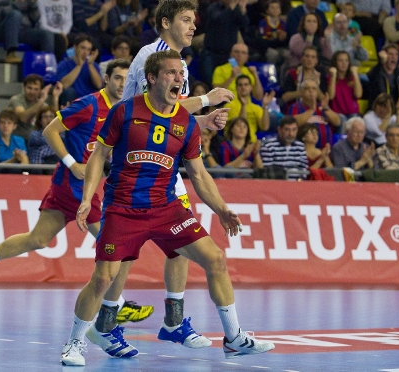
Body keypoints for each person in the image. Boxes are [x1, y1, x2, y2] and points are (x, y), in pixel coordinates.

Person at [66, 49, 275, 366]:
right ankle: (75, 343)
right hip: (123, 208)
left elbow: (199, 175)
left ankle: (234, 339)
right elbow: (98, 156)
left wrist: (221, 209)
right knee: (103, 278)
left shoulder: (186, 124)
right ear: (151, 78)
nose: (179, 78)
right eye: (172, 73)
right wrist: (86, 198)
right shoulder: (125, 112)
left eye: (181, 74)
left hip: (166, 208)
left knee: (215, 259)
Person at [0, 60, 154, 350]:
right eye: (118, 78)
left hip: (84, 184)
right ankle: (117, 305)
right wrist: (72, 163)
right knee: (115, 239)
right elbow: (50, 130)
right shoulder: (88, 104)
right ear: (107, 79)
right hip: (72, 183)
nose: (123, 84)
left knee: (37, 239)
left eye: (127, 79)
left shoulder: (122, 110)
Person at [119, 0, 235, 354]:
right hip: (133, 166)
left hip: (164, 167)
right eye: (186, 20)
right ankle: (103, 324)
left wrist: (203, 122)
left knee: (180, 244)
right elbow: (150, 111)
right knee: (121, 256)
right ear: (165, 22)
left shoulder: (179, 62)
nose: (193, 26)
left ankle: (174, 321)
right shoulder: (151, 56)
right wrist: (205, 99)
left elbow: (169, 121)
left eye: (194, 21)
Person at [199, 0, 250, 85]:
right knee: (210, 83)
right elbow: (219, 20)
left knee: (234, 80)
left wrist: (243, 10)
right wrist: (231, 7)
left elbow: (245, 24)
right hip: (210, 54)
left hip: (229, 55)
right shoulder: (213, 8)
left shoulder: (236, 9)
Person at [288, 78, 341, 149]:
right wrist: (311, 110)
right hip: (304, 151)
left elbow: (337, 122)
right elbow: (293, 123)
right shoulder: (295, 107)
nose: (311, 91)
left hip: (326, 149)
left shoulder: (323, 107)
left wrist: (326, 108)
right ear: (301, 92)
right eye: (307, 88)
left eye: (314, 89)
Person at [8, 74, 63, 141]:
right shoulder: (16, 100)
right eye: (29, 88)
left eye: (36, 89)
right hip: (19, 140)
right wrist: (42, 100)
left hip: (36, 141)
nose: (32, 92)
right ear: (24, 88)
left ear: (40, 90)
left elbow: (53, 121)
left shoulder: (43, 105)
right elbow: (23, 118)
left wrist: (55, 97)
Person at [224, 74, 272, 143]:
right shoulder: (229, 106)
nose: (243, 87)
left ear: (251, 87)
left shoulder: (256, 108)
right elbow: (240, 126)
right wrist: (243, 106)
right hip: (235, 144)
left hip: (252, 143)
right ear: (236, 88)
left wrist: (265, 106)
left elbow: (265, 127)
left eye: (246, 85)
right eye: (240, 85)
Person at [57, 34, 103, 106]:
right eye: (83, 48)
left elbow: (99, 85)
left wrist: (90, 65)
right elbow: (64, 85)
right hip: (73, 100)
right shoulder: (64, 64)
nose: (85, 52)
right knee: (69, 92)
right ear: (75, 47)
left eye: (88, 49)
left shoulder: (93, 65)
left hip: (90, 101)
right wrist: (79, 66)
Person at [281, 46, 328, 110]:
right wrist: (304, 90)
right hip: (296, 110)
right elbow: (284, 97)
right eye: (307, 56)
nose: (310, 59)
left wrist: (315, 86)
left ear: (316, 61)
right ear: (302, 58)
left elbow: (323, 100)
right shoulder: (293, 73)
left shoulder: (320, 75)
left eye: (313, 57)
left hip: (316, 110)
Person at [327, 51, 362, 123]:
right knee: (343, 121)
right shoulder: (329, 78)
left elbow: (358, 95)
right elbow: (330, 96)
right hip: (337, 113)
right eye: (340, 61)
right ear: (335, 62)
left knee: (355, 120)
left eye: (346, 60)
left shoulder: (352, 78)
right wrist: (333, 76)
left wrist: (355, 74)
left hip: (353, 112)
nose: (344, 63)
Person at [366, 43, 399, 110]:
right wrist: (381, 61)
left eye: (396, 54)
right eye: (390, 54)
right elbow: (370, 75)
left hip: (393, 110)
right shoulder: (377, 72)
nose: (394, 57)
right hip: (377, 110)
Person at [255, 0, 288, 66]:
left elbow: (285, 40)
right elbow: (262, 41)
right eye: (272, 8)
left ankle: (283, 73)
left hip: (280, 47)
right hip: (268, 48)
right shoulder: (263, 23)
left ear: (280, 10)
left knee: (288, 54)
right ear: (267, 11)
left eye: (277, 7)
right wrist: (277, 40)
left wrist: (283, 39)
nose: (275, 10)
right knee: (273, 54)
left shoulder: (283, 24)